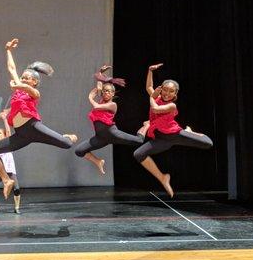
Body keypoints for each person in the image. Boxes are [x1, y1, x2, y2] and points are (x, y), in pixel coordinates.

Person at [0, 38, 77, 197]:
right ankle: (6, 180)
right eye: (22, 77)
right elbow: (11, 68)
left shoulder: (34, 93)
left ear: (35, 81)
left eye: (27, 78)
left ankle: (69, 137)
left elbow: (25, 87)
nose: (23, 79)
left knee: (66, 144)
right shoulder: (19, 89)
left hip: (34, 128)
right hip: (21, 134)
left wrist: (18, 85)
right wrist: (8, 50)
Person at [133, 64, 213, 197]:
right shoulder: (157, 98)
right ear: (161, 89)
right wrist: (150, 71)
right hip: (161, 139)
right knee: (138, 154)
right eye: (165, 90)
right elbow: (148, 87)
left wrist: (152, 97)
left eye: (171, 91)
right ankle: (163, 178)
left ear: (175, 94)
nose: (167, 93)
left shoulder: (172, 105)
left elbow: (155, 109)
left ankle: (190, 131)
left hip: (174, 134)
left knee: (208, 143)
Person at [75, 65, 148, 174]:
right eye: (105, 91)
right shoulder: (101, 100)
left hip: (113, 133)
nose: (106, 93)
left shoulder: (112, 105)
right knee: (79, 151)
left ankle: (146, 125)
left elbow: (96, 107)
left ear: (113, 94)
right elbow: (99, 84)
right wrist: (100, 72)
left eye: (109, 91)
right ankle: (98, 162)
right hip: (101, 138)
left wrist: (90, 97)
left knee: (139, 140)